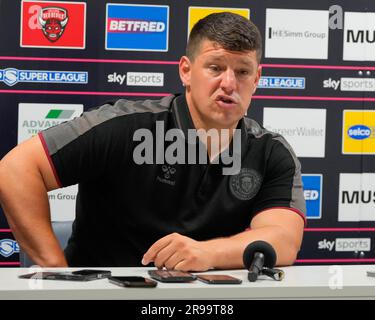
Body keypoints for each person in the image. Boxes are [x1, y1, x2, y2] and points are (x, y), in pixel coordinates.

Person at [0, 12, 305, 271]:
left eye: (242, 72)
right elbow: (15, 169)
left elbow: (283, 239)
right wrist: (58, 276)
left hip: (208, 300)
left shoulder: (270, 151)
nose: (228, 83)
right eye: (215, 67)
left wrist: (207, 253)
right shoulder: (126, 126)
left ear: (257, 80)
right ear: (186, 70)